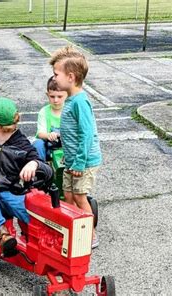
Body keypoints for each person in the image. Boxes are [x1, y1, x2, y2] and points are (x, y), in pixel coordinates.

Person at [0, 97, 52, 257]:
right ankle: (2, 235)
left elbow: (47, 170)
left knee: (39, 218)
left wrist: (34, 164)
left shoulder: (22, 146)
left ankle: (40, 244)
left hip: (14, 194)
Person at [49, 45, 102, 249]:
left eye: (56, 74)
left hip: (85, 161)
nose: (54, 79)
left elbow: (87, 134)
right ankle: (72, 231)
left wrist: (79, 163)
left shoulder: (80, 102)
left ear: (70, 77)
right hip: (72, 160)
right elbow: (72, 130)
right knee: (68, 196)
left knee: (80, 197)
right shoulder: (71, 99)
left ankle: (90, 235)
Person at [32, 76, 68, 161]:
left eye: (60, 97)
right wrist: (49, 135)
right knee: (37, 144)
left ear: (67, 95)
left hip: (66, 144)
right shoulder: (44, 112)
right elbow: (40, 133)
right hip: (48, 145)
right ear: (47, 95)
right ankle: (41, 168)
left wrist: (59, 135)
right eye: (52, 96)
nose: (55, 100)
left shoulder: (69, 110)